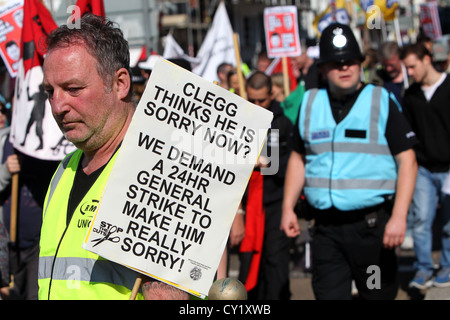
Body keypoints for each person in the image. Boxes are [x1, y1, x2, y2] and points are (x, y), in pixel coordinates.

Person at [38, 14, 189, 300]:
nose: (58, 106)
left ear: (120, 83)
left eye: (73, 89)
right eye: (50, 91)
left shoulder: (162, 171)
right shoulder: (64, 170)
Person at [280, 23, 418, 300]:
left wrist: (400, 217)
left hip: (371, 232)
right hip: (326, 232)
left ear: (360, 65)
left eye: (351, 62)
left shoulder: (380, 100)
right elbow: (298, 157)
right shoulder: (309, 103)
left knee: (375, 295)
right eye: (336, 63)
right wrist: (287, 208)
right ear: (323, 69)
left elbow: (408, 161)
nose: (345, 68)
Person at [238, 71, 293, 300]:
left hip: (274, 203)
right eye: (252, 100)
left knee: (275, 260)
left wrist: (264, 163)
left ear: (272, 94)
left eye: (262, 100)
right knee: (249, 261)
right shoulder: (239, 120)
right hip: (247, 204)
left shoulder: (283, 123)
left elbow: (287, 167)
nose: (257, 105)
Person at [400, 43, 450, 289]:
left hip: (448, 167)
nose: (410, 72)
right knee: (421, 219)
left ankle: (448, 265)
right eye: (406, 67)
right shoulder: (410, 95)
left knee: (449, 221)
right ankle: (422, 268)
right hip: (423, 168)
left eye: (413, 66)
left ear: (427, 59)